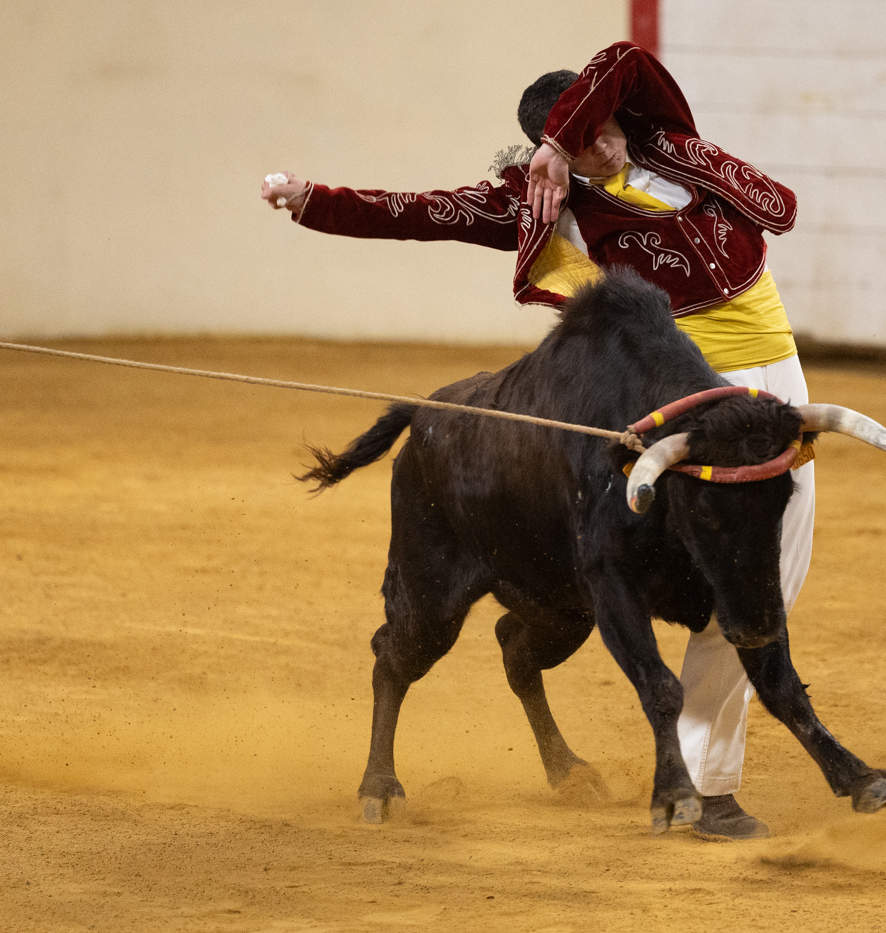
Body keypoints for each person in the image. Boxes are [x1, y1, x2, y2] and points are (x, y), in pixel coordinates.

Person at [262, 41, 813, 842]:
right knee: (730, 607)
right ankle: (707, 786)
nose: (608, 144)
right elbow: (418, 213)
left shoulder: (673, 148)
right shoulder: (539, 203)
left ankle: (703, 769)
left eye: (605, 127)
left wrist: (564, 138)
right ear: (554, 154)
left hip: (786, 399)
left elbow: (636, 67)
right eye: (585, 142)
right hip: (690, 411)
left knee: (770, 593)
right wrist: (313, 198)